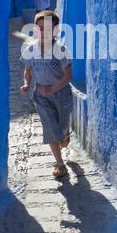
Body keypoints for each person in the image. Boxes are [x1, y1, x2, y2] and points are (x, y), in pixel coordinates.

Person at [20, 10, 73, 178]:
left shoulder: (61, 50)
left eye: (48, 29)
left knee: (62, 126)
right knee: (50, 127)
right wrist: (27, 84)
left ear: (56, 31)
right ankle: (60, 164)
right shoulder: (30, 50)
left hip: (61, 94)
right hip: (41, 94)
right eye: (40, 28)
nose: (43, 32)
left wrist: (54, 89)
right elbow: (28, 70)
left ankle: (64, 134)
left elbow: (68, 76)